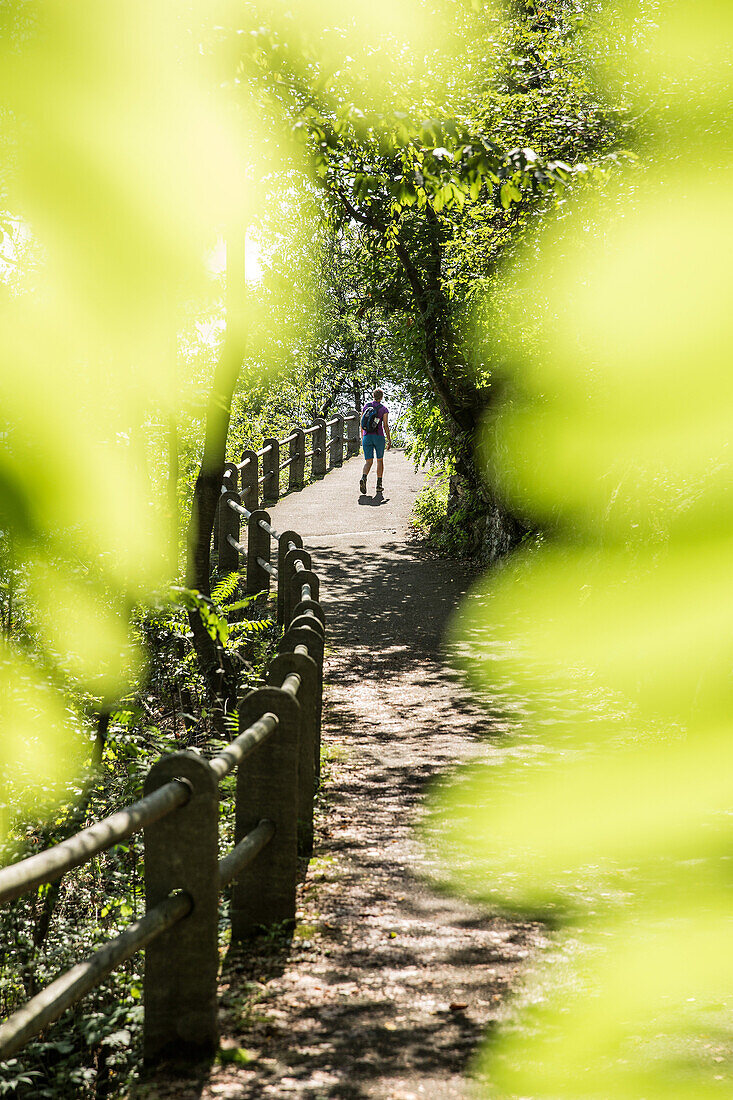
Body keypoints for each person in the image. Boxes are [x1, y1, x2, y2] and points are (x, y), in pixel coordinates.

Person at [359, 388, 391, 495]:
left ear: (373, 396)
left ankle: (364, 478)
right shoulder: (384, 409)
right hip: (378, 437)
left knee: (368, 462)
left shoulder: (366, 406)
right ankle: (379, 485)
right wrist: (389, 439)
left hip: (367, 436)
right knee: (380, 460)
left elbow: (361, 423)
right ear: (381, 397)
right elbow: (385, 425)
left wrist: (362, 436)